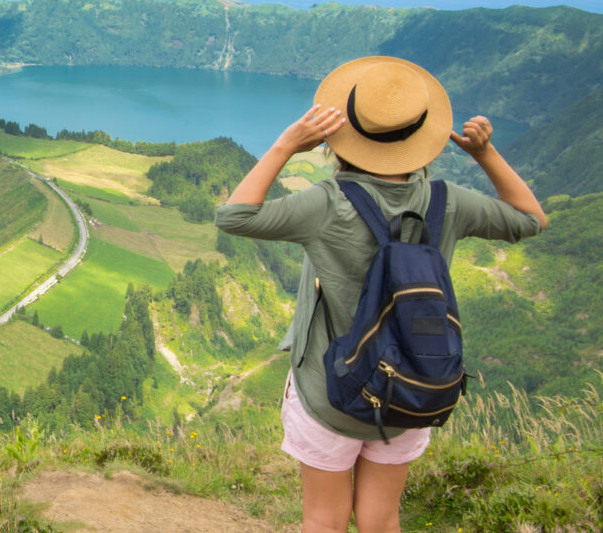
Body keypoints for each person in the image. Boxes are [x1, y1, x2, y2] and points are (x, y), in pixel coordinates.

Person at [214, 56, 546, 533]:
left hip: (330, 394)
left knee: (323, 520)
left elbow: (235, 217)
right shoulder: (448, 202)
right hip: (409, 390)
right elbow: (530, 220)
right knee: (380, 519)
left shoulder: (327, 203)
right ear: (421, 136)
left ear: (340, 135)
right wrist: (485, 154)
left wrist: (288, 145)